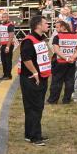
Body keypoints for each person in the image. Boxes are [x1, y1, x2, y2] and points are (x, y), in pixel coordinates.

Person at [19, 16, 51, 145]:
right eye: (45, 23)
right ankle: (35, 137)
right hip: (32, 79)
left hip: (41, 77)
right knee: (34, 107)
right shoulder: (29, 41)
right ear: (38, 26)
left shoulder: (40, 38)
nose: (48, 25)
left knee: (36, 107)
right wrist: (35, 72)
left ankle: (30, 133)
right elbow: (26, 59)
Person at [47, 19, 77, 105]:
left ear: (63, 27)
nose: (56, 29)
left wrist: (66, 58)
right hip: (71, 62)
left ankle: (53, 100)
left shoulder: (58, 37)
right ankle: (66, 100)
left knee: (56, 81)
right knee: (69, 81)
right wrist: (72, 57)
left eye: (57, 27)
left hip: (60, 62)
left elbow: (57, 50)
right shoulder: (76, 36)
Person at [0, 11, 17, 79]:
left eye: (4, 17)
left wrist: (8, 46)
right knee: (3, 60)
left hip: (9, 45)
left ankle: (8, 75)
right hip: (3, 44)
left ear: (8, 18)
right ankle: (5, 74)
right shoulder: (2, 25)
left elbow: (11, 36)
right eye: (2, 17)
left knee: (8, 60)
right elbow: (1, 36)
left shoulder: (10, 25)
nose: (3, 18)